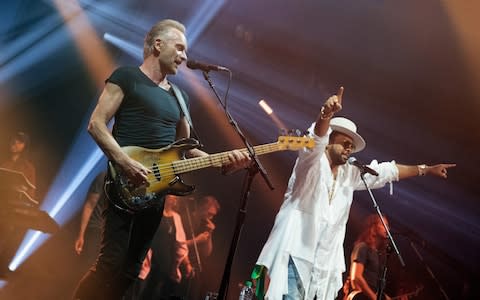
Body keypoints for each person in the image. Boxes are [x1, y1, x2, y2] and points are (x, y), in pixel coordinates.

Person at [73, 19, 249, 300]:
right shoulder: (127, 77)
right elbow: (96, 124)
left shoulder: (180, 97)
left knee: (131, 270)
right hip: (123, 184)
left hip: (156, 192)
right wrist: (125, 162)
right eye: (179, 48)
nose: (185, 56)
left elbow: (186, 148)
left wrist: (219, 161)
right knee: (109, 265)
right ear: (158, 44)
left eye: (186, 51)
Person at [251, 87, 456, 300]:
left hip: (323, 265)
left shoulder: (350, 175)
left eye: (352, 146)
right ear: (330, 142)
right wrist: (326, 115)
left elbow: (387, 171)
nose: (349, 149)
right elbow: (315, 141)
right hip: (295, 255)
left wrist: (425, 169)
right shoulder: (310, 164)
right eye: (345, 144)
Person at [139, 195, 193, 300]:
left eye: (176, 198)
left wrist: (187, 264)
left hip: (166, 264)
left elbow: (180, 244)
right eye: (172, 196)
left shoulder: (176, 217)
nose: (175, 199)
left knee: (158, 294)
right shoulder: (154, 212)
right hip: (151, 260)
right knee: (145, 292)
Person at [0, 132, 36, 275]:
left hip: (17, 210)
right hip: (3, 207)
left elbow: (32, 190)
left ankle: (2, 266)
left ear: (24, 146)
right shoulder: (4, 163)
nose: (14, 144)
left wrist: (26, 208)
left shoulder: (28, 167)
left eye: (19, 142)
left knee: (11, 238)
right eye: (13, 141)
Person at [180, 195, 220, 298]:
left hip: (196, 267)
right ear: (201, 208)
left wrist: (210, 233)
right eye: (209, 214)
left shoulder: (205, 225)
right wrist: (196, 241)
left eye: (213, 216)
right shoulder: (185, 219)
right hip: (181, 264)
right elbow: (177, 244)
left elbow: (207, 253)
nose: (210, 218)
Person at [345, 214, 391, 300]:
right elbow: (356, 277)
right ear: (373, 227)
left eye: (388, 226)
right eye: (384, 225)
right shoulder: (362, 247)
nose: (387, 229)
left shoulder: (379, 254)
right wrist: (373, 297)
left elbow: (374, 285)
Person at [74, 172, 107, 266]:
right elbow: (90, 205)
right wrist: (81, 234)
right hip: (95, 228)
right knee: (87, 265)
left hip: (110, 232)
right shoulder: (103, 177)